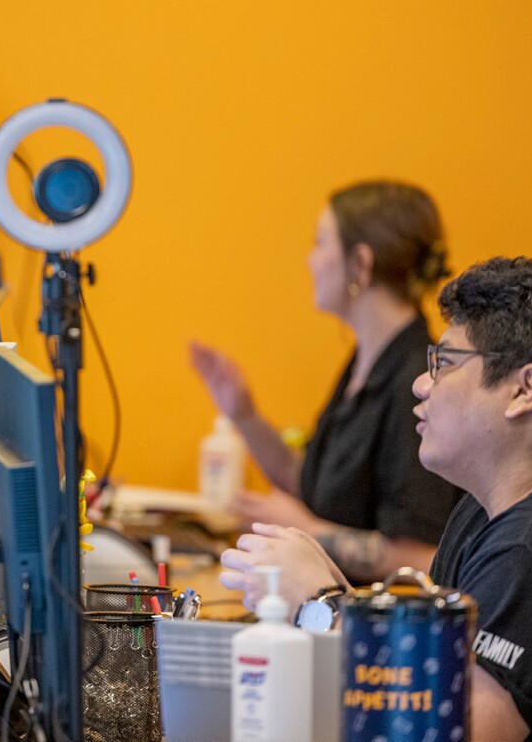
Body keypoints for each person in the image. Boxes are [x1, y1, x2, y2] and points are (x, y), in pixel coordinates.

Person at [222, 257, 532, 739]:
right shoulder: (498, 506)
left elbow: (435, 730)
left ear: (524, 390)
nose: (421, 382)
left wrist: (317, 606)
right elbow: (433, 673)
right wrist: (347, 605)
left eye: (445, 363)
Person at [190, 180, 459, 583]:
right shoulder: (363, 362)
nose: (309, 260)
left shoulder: (415, 384)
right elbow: (313, 487)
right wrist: (243, 415)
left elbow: (423, 557)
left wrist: (309, 533)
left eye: (320, 243)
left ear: (361, 265)